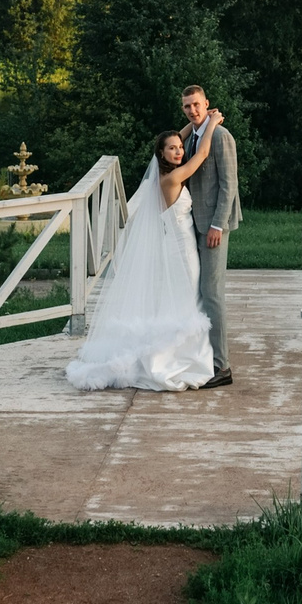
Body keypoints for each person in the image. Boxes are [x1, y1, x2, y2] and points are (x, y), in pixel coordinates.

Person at [64, 108, 225, 392]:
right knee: (192, 299)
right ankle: (185, 358)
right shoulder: (171, 180)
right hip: (182, 250)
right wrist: (211, 124)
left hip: (179, 246)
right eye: (172, 149)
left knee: (186, 299)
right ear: (161, 155)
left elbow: (177, 142)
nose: (178, 152)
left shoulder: (166, 173)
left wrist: (188, 126)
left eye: (179, 147)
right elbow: (200, 156)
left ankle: (191, 352)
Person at [177, 84, 241, 387]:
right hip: (196, 222)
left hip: (214, 225)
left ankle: (222, 367)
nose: (193, 110)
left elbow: (229, 185)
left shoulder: (220, 136)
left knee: (212, 292)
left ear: (207, 104)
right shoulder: (193, 135)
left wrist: (218, 225)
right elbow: (177, 139)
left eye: (197, 105)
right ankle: (205, 355)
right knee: (200, 290)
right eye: (187, 106)